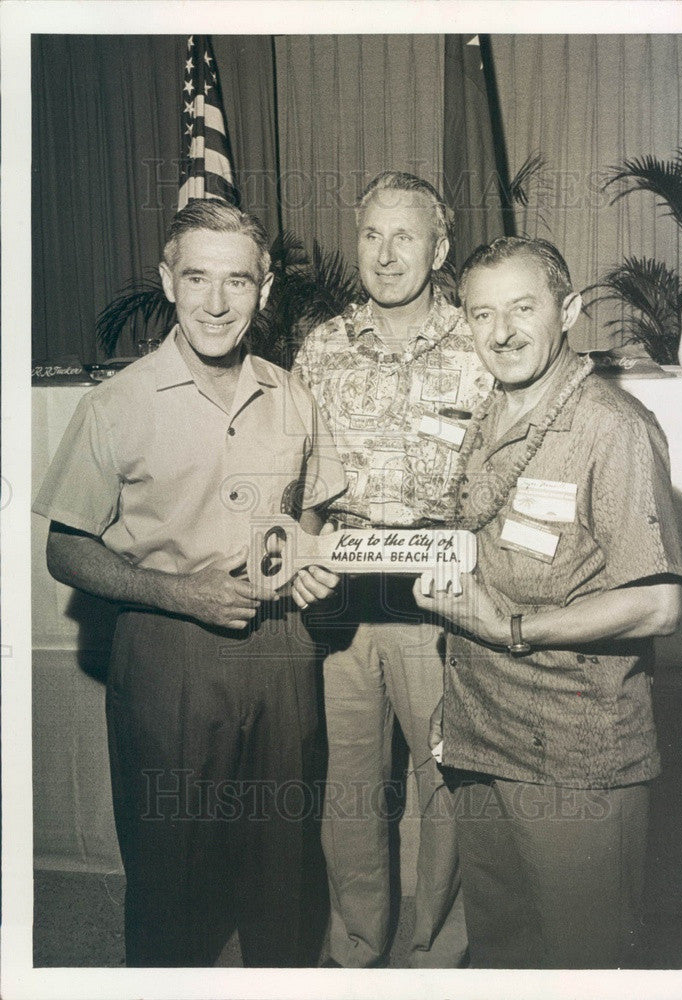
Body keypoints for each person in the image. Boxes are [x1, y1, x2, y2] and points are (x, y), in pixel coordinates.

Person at [33, 200, 346, 968]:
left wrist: (313, 559)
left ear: (264, 289)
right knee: (172, 873)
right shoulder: (117, 404)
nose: (216, 302)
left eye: (236, 281)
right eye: (197, 278)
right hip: (166, 653)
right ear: (168, 282)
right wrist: (180, 593)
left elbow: (314, 517)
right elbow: (66, 552)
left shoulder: (293, 396)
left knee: (284, 868)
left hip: (279, 655)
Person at [415, 236, 682, 969]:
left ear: (566, 311)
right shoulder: (487, 417)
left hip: (576, 755)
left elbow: (657, 604)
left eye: (521, 309)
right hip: (482, 733)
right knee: (504, 952)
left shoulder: (612, 428)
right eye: (480, 314)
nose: (500, 332)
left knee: (582, 961)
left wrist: (510, 627)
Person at [293, 171, 492, 968]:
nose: (384, 253)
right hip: (343, 604)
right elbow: (297, 476)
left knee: (445, 782)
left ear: (438, 247)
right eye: (371, 234)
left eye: (404, 235)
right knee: (348, 789)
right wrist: (301, 553)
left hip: (439, 601)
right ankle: (357, 948)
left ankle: (434, 953)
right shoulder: (321, 347)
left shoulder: (480, 342)